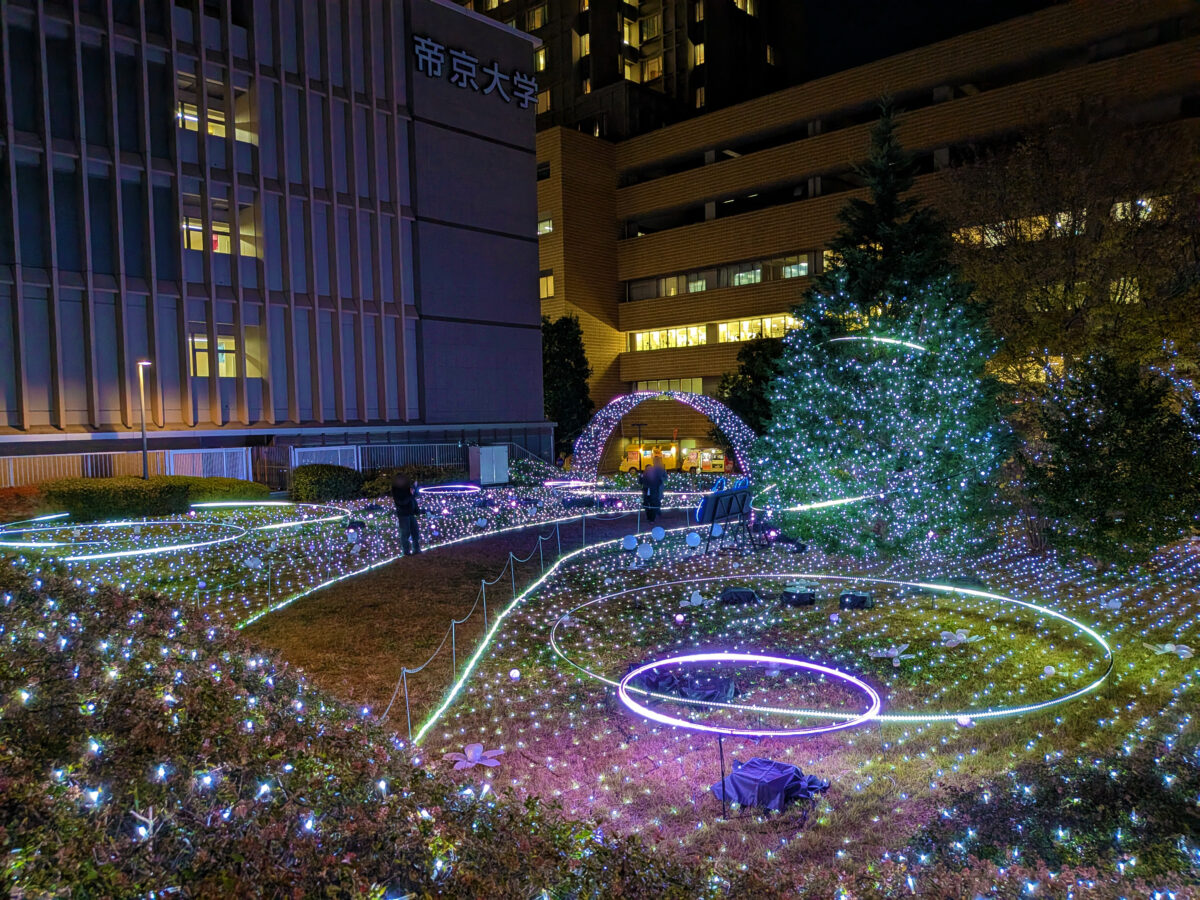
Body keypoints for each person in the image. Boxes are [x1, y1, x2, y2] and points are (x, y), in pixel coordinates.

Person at [390, 472, 421, 556]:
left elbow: (413, 498)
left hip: (411, 513)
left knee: (415, 532)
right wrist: (410, 494)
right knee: (405, 533)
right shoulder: (396, 491)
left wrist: (414, 488)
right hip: (403, 515)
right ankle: (406, 552)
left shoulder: (407, 488)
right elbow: (402, 502)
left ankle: (416, 549)